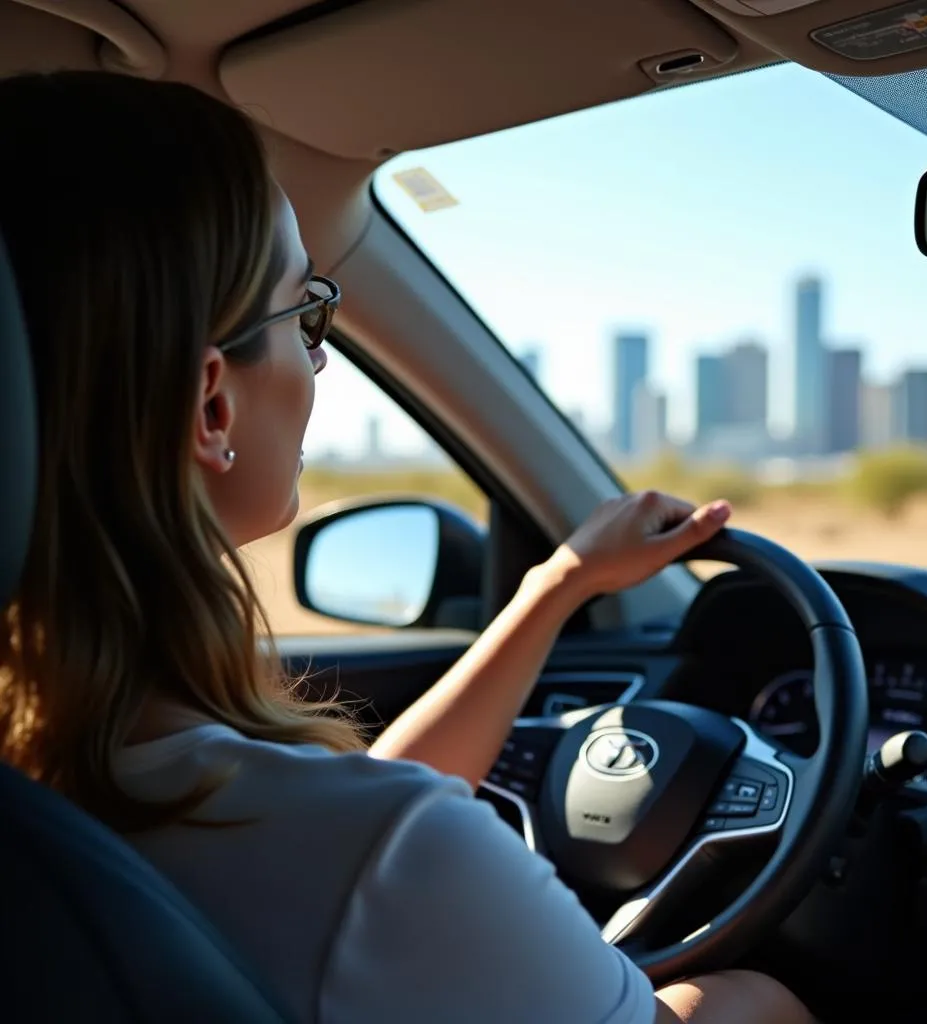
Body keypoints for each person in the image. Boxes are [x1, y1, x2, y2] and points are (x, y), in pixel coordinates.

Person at [0, 70, 816, 1023]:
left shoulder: (56, 787)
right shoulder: (375, 853)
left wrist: (556, 587)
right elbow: (372, 846)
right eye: (302, 312)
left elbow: (361, 827)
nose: (320, 358)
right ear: (213, 405)